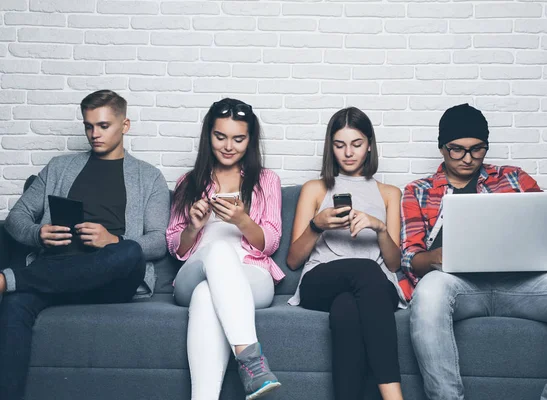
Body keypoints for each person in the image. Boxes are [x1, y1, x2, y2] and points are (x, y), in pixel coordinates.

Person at [401, 103, 547, 400]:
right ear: (442, 148)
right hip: (458, 286)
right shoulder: (418, 190)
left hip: (524, 284)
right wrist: (434, 257)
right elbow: (410, 257)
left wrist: (543, 230)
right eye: (457, 149)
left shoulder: (513, 178)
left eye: (477, 149)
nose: (468, 158)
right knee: (428, 295)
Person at [0, 90, 170, 400]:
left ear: (125, 125)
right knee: (13, 306)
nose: (94, 134)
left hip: (113, 276)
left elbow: (159, 240)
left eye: (103, 126)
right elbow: (16, 219)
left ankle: (7, 280)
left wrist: (112, 240)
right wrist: (39, 233)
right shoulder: (59, 167)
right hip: (55, 269)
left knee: (129, 251)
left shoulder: (149, 177)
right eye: (88, 126)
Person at [166, 98, 283, 400]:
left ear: (250, 140)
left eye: (238, 138)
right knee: (217, 251)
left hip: (252, 275)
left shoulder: (266, 181)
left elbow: (270, 242)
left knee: (207, 295)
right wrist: (194, 226)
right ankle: (251, 361)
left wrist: (243, 220)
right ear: (209, 136)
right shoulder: (188, 183)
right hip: (194, 273)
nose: (229, 146)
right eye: (220, 137)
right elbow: (174, 247)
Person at [287, 107, 407, 400]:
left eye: (356, 144)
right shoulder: (315, 189)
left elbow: (392, 263)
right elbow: (293, 260)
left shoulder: (389, 193)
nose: (348, 153)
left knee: (346, 310)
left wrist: (379, 228)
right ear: (331, 147)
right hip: (321, 282)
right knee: (364, 270)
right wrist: (318, 224)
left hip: (376, 289)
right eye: (340, 145)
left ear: (369, 145)